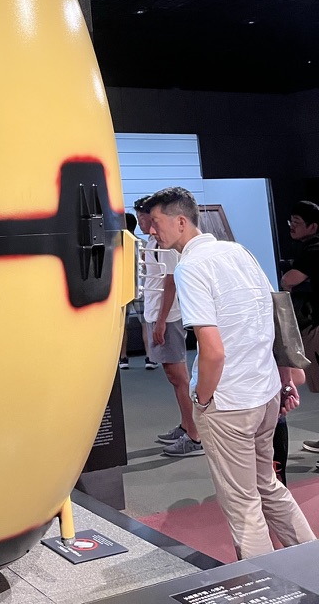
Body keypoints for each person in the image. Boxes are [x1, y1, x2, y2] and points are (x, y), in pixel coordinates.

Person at [145, 185, 315, 560]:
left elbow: (213, 350)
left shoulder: (191, 267)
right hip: (265, 393)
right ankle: (309, 562)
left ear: (180, 221)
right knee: (268, 485)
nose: (152, 231)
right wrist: (284, 379)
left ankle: (266, 585)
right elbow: (277, 317)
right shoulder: (239, 252)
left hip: (229, 402)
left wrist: (203, 399)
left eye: (156, 222)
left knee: (243, 505)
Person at [134, 195, 202, 458]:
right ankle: (186, 425)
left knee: (179, 376)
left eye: (147, 218)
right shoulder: (154, 243)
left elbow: (171, 282)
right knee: (173, 376)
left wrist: (162, 321)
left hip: (169, 316)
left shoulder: (168, 246)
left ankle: (195, 435)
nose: (143, 223)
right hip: (155, 312)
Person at [280, 201, 319, 462]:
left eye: (297, 223)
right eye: (290, 222)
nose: (292, 227)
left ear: (313, 226)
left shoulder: (314, 249)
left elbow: (288, 280)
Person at [118, 212, 157, 370]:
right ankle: (150, 358)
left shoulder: (117, 247)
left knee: (121, 325)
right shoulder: (143, 244)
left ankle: (123, 358)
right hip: (140, 287)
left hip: (122, 290)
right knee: (145, 323)